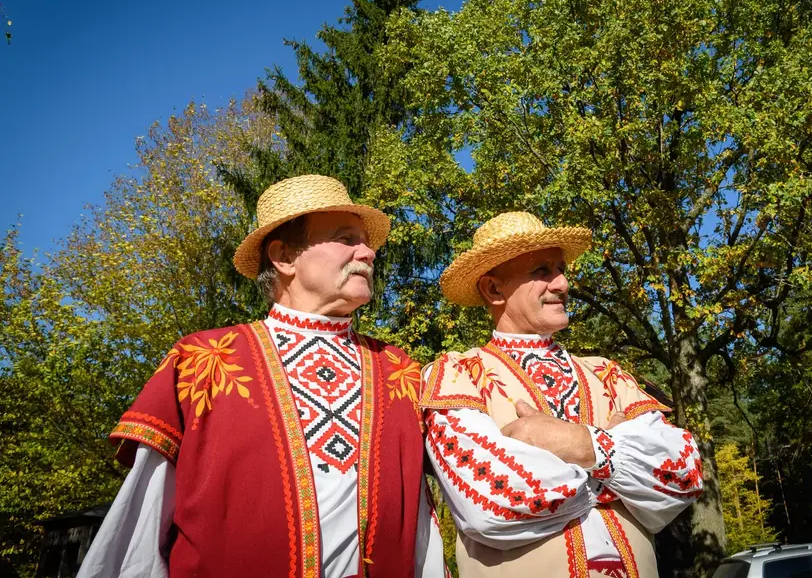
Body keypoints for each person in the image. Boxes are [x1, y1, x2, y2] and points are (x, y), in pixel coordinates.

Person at [79, 174, 445, 578]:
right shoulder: (202, 361)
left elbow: (423, 527)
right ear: (284, 257)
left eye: (367, 241)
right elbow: (141, 529)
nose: (368, 252)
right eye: (346, 238)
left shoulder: (399, 370)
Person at [420, 212, 704, 578]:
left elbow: (683, 474)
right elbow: (493, 502)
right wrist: (624, 469)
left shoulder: (606, 372)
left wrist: (581, 446)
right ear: (493, 290)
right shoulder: (456, 374)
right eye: (542, 270)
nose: (563, 283)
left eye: (560, 268)